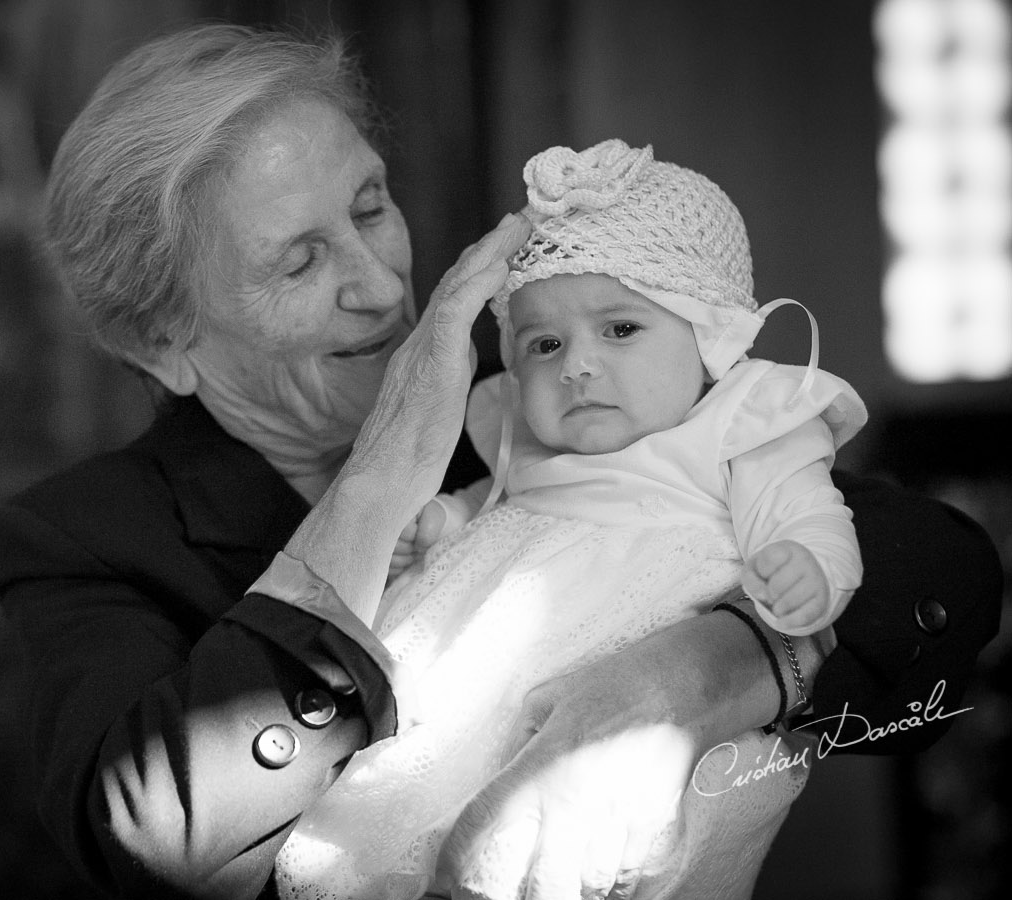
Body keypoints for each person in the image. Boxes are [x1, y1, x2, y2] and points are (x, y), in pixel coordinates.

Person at [0, 23, 1004, 900]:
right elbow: (152, 840)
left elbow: (935, 567)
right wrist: (380, 483)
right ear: (161, 342)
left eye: (372, 205)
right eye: (300, 260)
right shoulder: (89, 537)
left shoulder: (536, 383)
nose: (382, 287)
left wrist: (713, 670)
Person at [274, 139, 866, 899]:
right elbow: (494, 505)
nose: (577, 365)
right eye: (545, 344)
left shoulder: (739, 426)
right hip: (478, 669)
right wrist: (441, 524)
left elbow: (811, 514)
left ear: (709, 335)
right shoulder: (526, 432)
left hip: (626, 675)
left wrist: (807, 569)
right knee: (416, 805)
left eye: (620, 329)